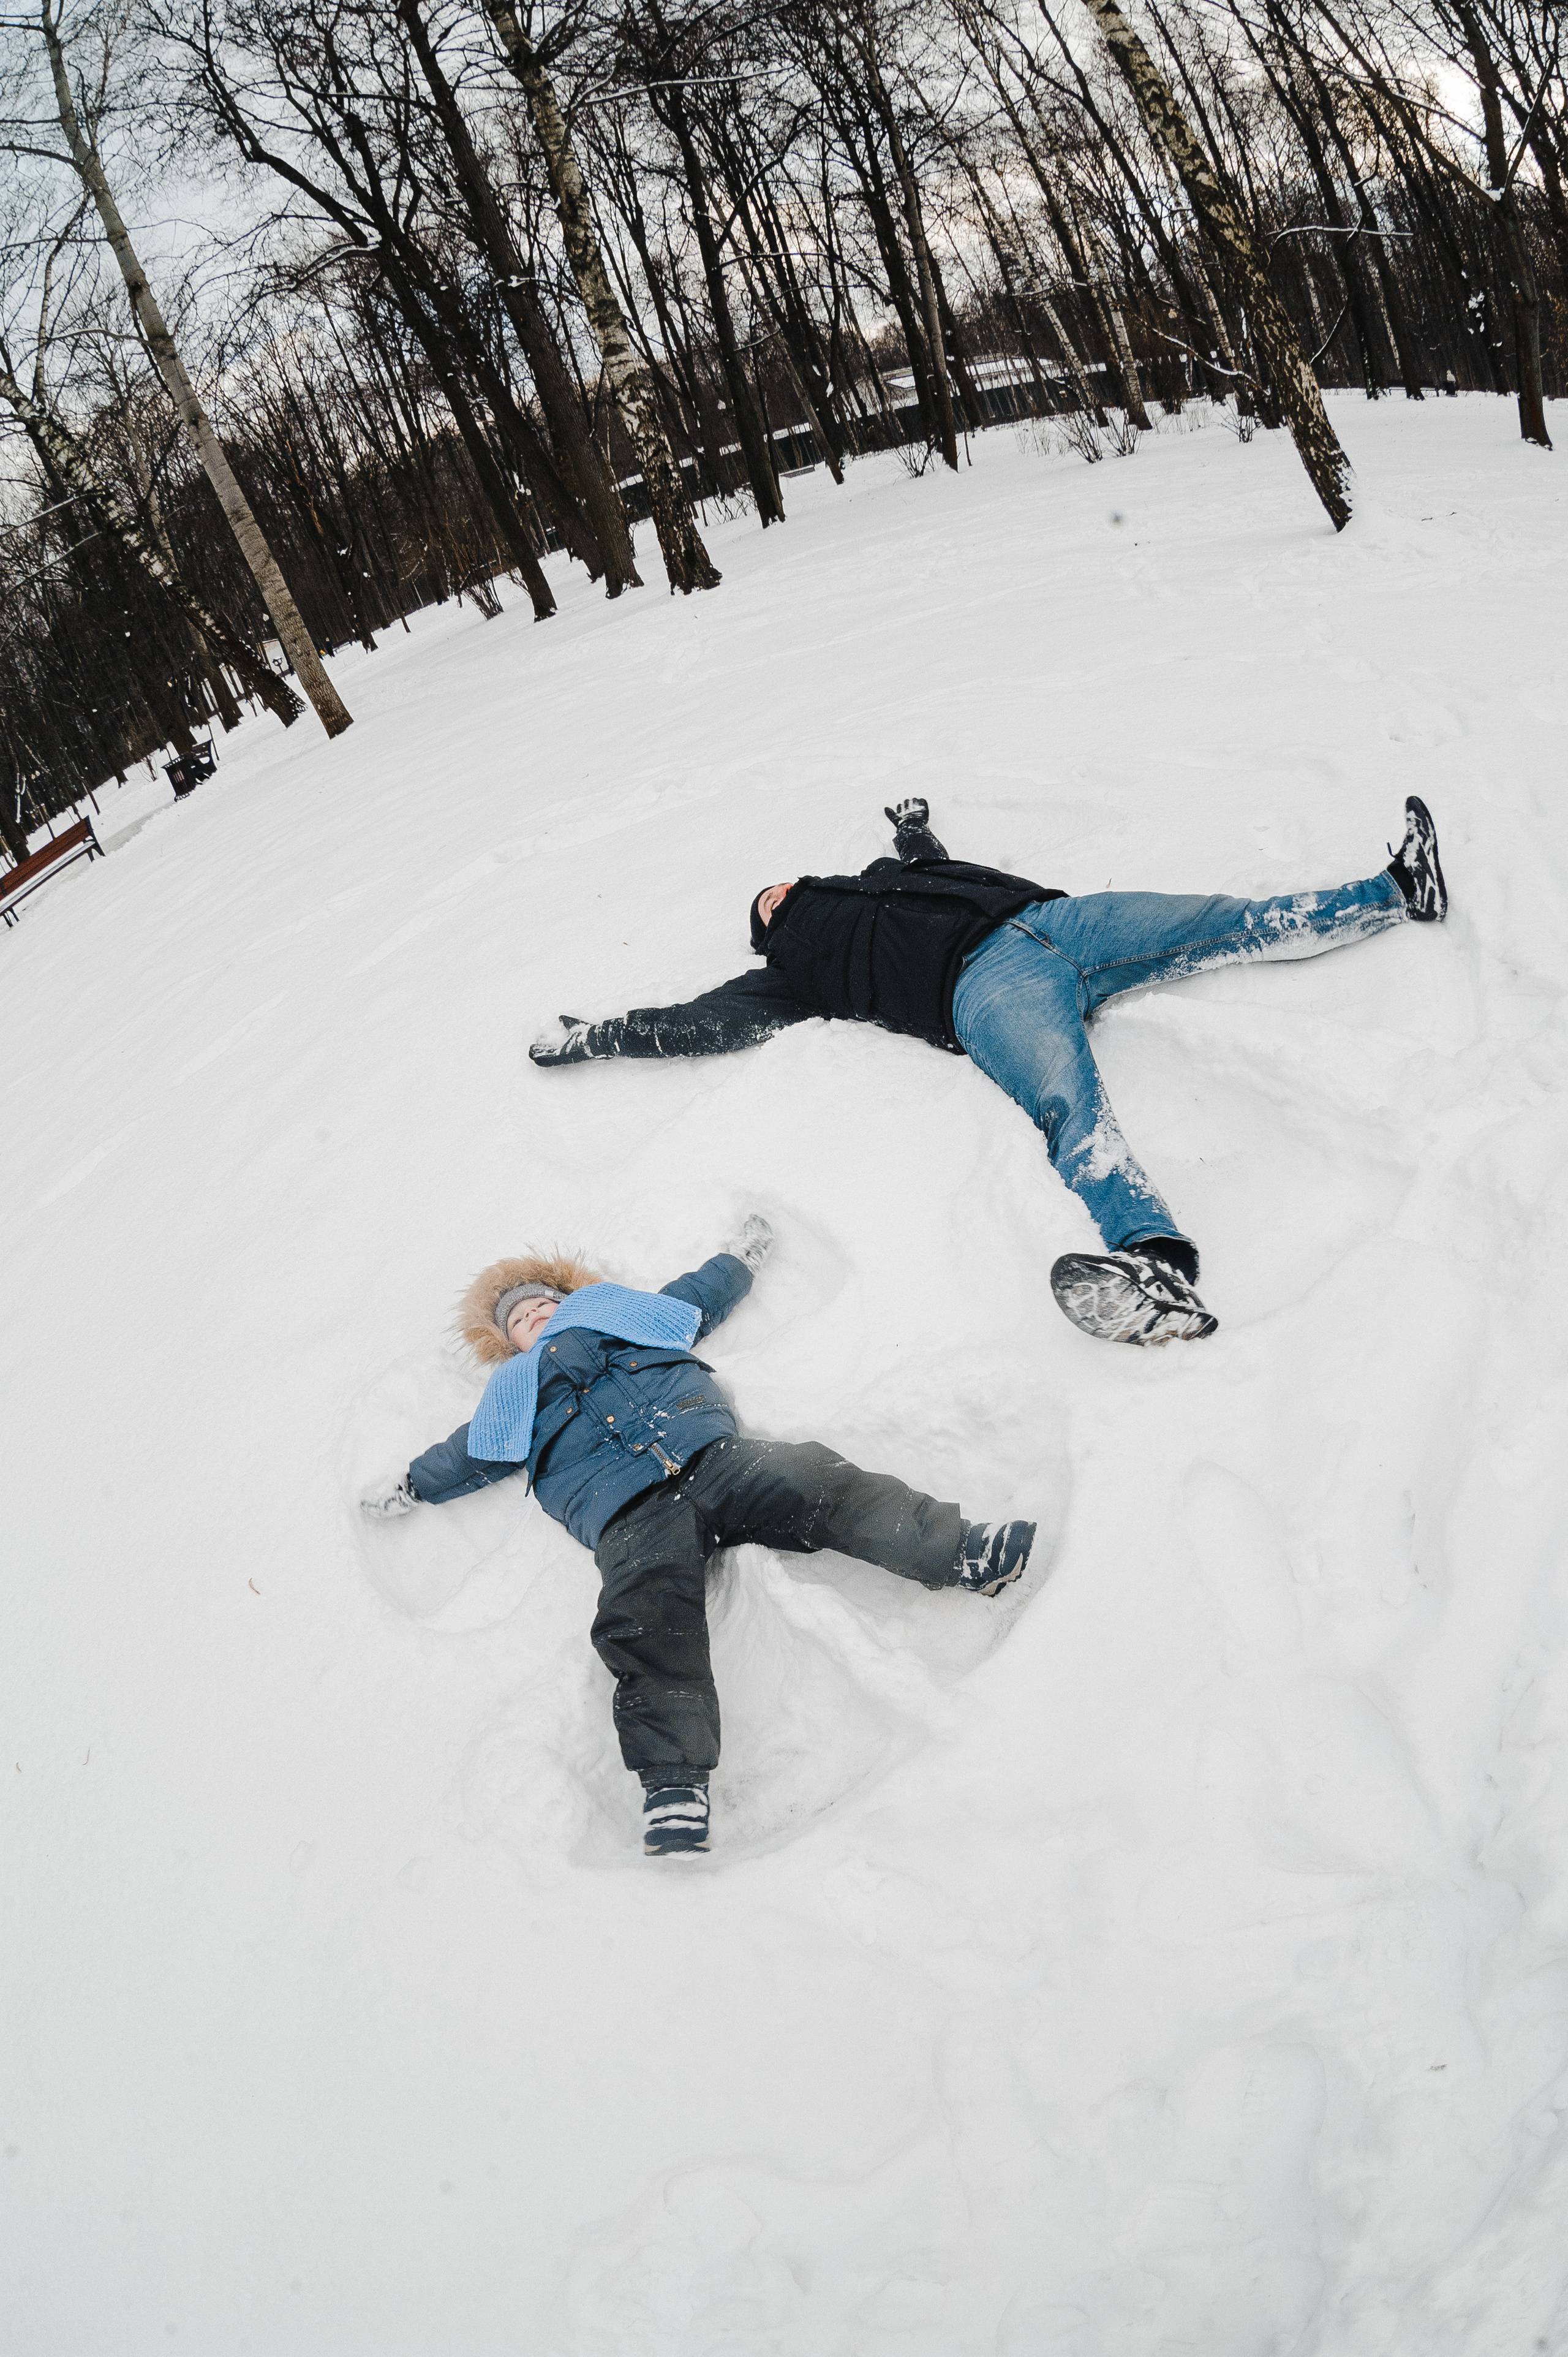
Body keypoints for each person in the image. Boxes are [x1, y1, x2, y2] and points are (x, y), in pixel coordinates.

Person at [529, 798, 1448, 1345]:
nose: (773, 893)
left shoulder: (875, 876)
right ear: (767, 931)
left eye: (774, 885)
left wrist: (913, 828)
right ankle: (1154, 1263)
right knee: (1069, 1108)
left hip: (1058, 920)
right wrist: (598, 1036)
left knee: (1219, 919)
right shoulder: (789, 972)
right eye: (763, 905)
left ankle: (1398, 891)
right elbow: (699, 1023)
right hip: (985, 990)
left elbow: (931, 863)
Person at [360, 1218, 1035, 1857]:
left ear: (569, 1301)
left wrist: (740, 1257)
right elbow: (466, 1454)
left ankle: (961, 1550)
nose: (534, 1316)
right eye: (518, 1319)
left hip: (715, 1460)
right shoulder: (510, 1399)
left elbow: (699, 1296)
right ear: (506, 1343)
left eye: (542, 1303)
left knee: (815, 1478)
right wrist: (414, 1485)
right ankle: (674, 1784)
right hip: (629, 1513)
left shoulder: (630, 1321)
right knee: (643, 1619)